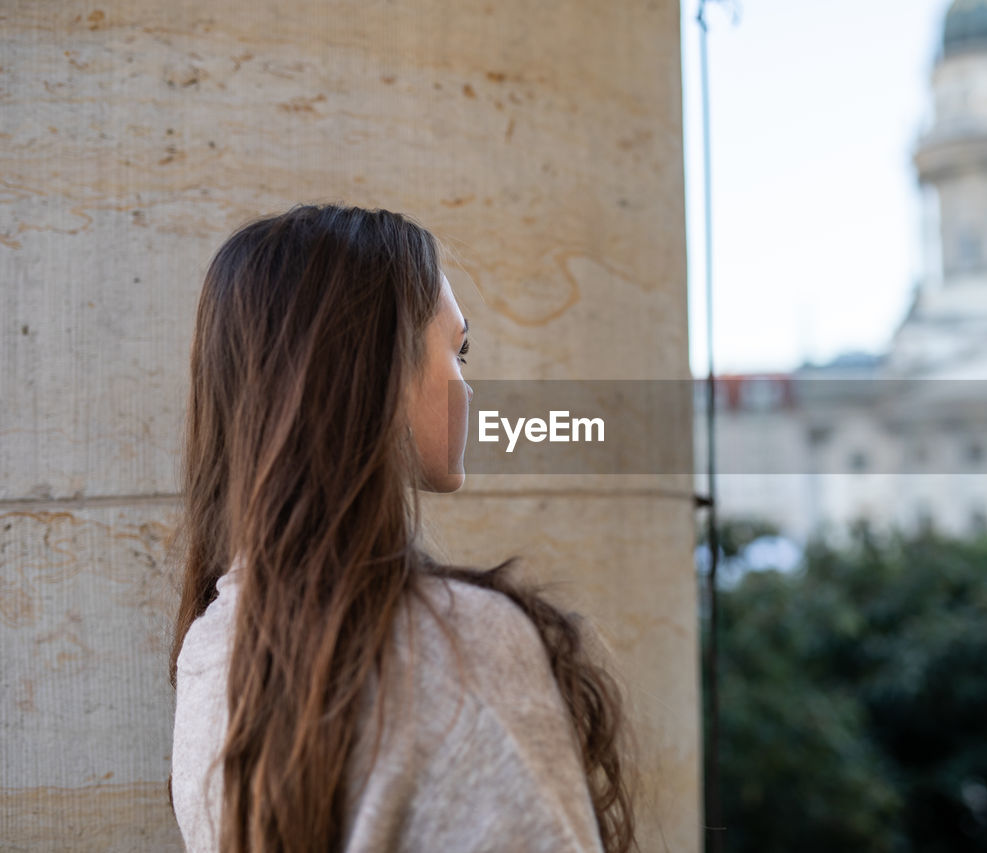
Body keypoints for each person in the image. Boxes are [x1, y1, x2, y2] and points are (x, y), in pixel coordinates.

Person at [167, 204, 637, 852]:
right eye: (459, 350)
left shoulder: (209, 646)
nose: (469, 388)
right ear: (372, 365)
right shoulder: (463, 644)